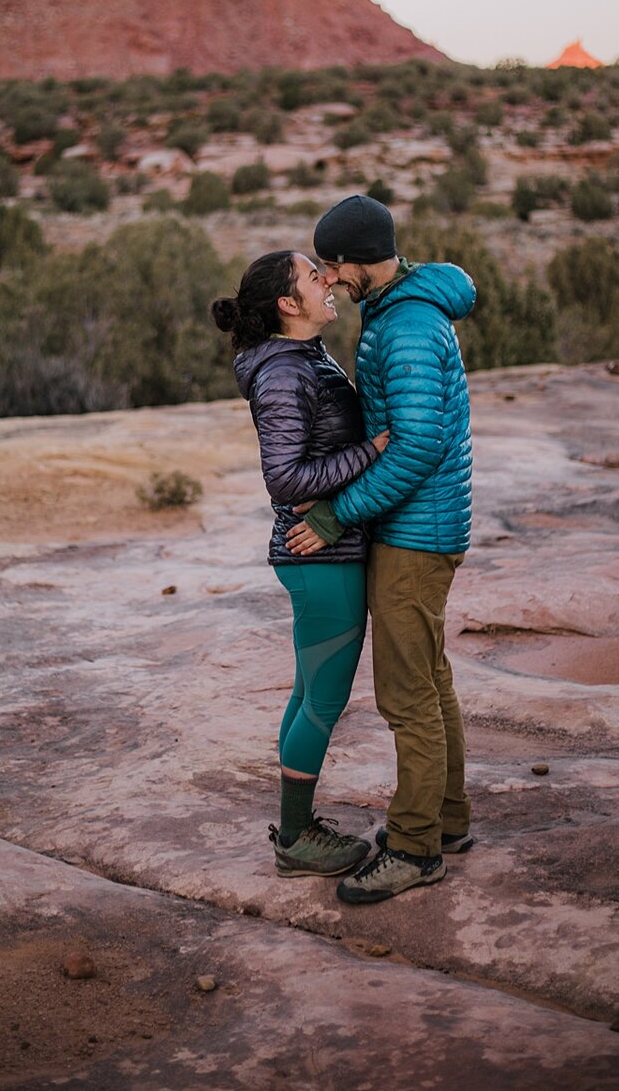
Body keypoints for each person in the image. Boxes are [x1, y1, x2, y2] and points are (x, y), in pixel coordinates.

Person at [286, 195, 476, 905]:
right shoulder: (397, 308)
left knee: (406, 697)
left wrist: (341, 513)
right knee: (431, 679)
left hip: (415, 533)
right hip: (419, 526)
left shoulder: (409, 328)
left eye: (334, 266)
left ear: (364, 260)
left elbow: (420, 443)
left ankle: (416, 848)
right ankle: (448, 821)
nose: (329, 279)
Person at [212, 249, 389, 879]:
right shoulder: (284, 373)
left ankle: (296, 825)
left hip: (323, 552)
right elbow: (285, 478)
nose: (328, 280)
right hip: (320, 553)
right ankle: (295, 838)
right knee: (323, 701)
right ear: (289, 304)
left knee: (309, 691)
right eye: (314, 277)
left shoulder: (302, 357)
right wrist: (373, 450)